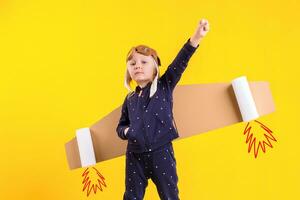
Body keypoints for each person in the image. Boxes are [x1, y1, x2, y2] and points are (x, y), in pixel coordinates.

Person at [116, 19, 210, 200]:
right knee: (131, 196)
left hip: (162, 153)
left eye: (144, 62)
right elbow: (120, 127)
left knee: (170, 196)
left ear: (155, 69)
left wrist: (196, 37)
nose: (137, 66)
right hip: (135, 156)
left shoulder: (165, 86)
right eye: (132, 63)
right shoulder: (129, 99)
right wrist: (127, 131)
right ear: (128, 71)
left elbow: (180, 62)